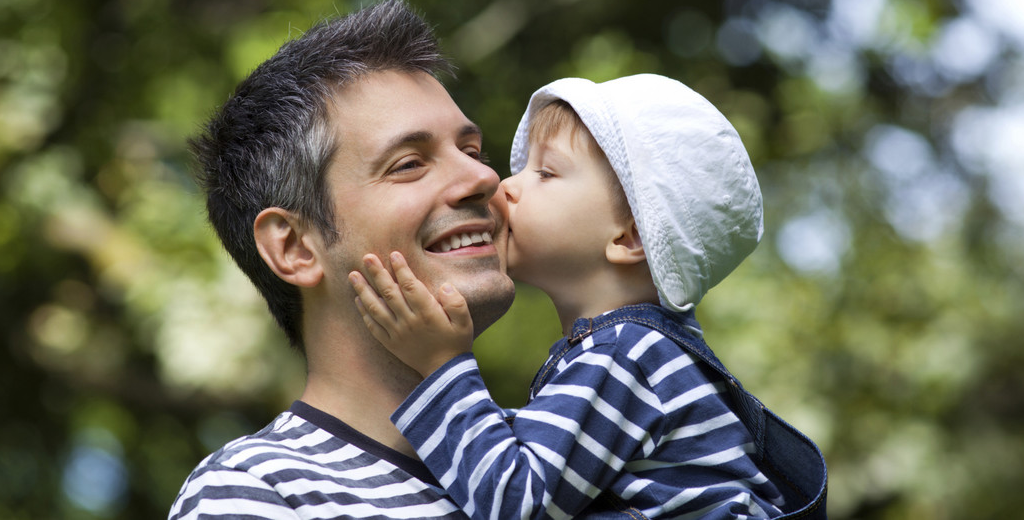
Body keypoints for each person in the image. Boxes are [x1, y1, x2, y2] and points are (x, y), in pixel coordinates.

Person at [353, 74, 828, 519]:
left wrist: (440, 366)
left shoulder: (628, 356)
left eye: (546, 173)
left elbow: (515, 502)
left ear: (629, 239)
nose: (505, 186)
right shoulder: (641, 354)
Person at [167, 0, 516, 519]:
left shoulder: (575, 452)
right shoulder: (255, 494)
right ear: (294, 247)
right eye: (409, 164)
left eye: (471, 151)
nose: (483, 179)